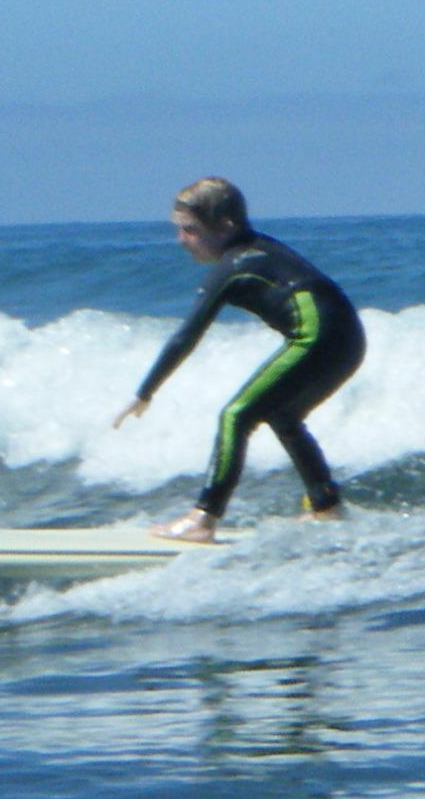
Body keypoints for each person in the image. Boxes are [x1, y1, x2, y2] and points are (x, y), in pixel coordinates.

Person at [112, 177, 366, 542]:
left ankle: (203, 518)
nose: (181, 240)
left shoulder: (235, 266)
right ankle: (327, 507)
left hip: (320, 338)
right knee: (282, 415)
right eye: (179, 229)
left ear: (225, 226)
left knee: (235, 415)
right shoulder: (258, 250)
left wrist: (145, 392)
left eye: (191, 230)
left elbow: (186, 336)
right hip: (349, 339)